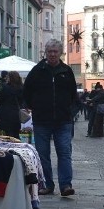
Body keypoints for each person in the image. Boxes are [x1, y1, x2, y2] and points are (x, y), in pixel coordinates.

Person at [23, 39, 78, 196]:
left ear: (60, 53)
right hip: (42, 121)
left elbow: (74, 95)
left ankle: (66, 185)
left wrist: (70, 111)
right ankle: (47, 184)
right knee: (42, 154)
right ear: (45, 53)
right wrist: (31, 106)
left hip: (63, 121)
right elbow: (26, 92)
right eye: (50, 51)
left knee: (65, 153)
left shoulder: (67, 71)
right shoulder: (37, 70)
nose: (52, 54)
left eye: (55, 51)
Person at [0, 71, 24, 138]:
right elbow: (22, 101)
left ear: (10, 78)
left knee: (6, 134)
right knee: (15, 134)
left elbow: (0, 99)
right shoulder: (21, 88)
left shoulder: (6, 88)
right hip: (15, 113)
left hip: (5, 113)